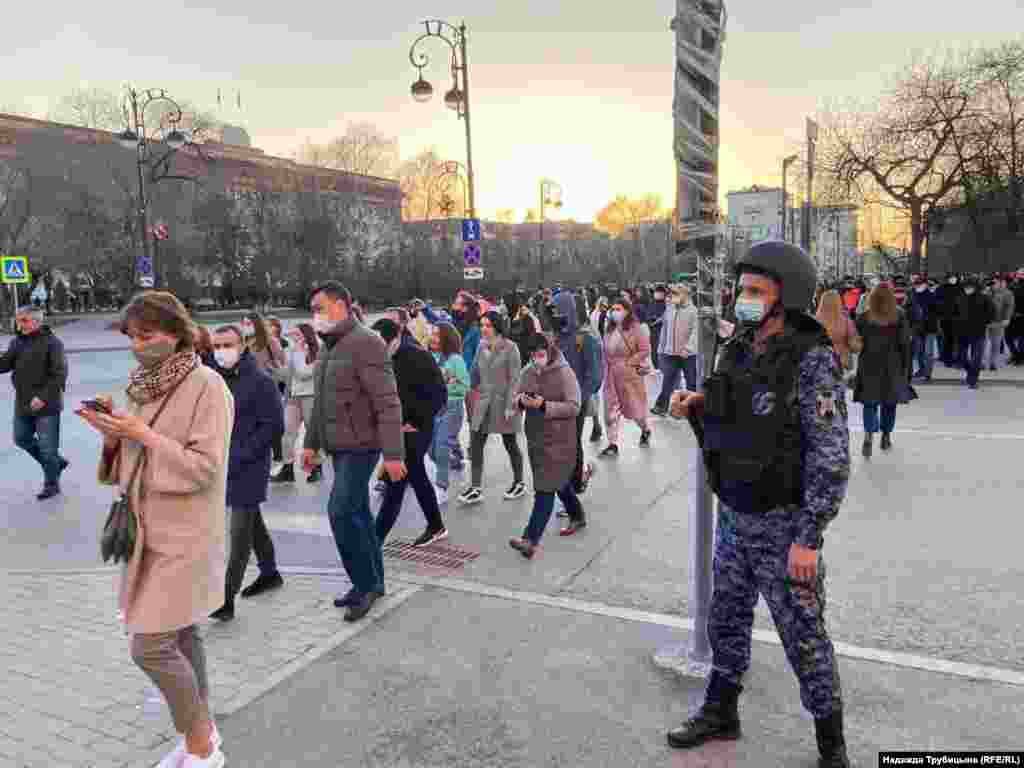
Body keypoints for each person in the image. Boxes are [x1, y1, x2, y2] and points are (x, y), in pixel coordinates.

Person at [667, 241, 851, 768]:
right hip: (735, 514)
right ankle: (721, 711)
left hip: (784, 525)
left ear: (785, 299)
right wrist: (698, 405)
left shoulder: (812, 359)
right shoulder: (740, 346)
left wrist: (808, 539)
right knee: (725, 619)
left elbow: (831, 456)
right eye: (741, 289)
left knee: (804, 639)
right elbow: (740, 411)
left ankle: (831, 746)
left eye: (755, 291)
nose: (742, 298)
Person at [78, 291, 232, 768]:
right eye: (132, 337)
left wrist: (140, 434)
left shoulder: (208, 386)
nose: (138, 346)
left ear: (176, 332)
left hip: (185, 534)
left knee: (149, 645)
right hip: (146, 532)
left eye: (147, 336)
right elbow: (134, 461)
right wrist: (113, 437)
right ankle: (202, 735)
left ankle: (202, 743)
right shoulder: (143, 385)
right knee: (181, 634)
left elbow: (204, 468)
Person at [304, 282, 406, 623]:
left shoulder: (367, 342)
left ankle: (364, 585)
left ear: (341, 305)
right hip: (338, 445)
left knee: (340, 512)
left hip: (363, 445)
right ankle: (372, 582)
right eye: (313, 309)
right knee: (358, 513)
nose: (315, 315)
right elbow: (320, 403)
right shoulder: (329, 345)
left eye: (319, 308)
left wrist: (394, 454)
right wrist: (310, 444)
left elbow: (388, 402)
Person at [208, 326, 285, 621]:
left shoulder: (260, 381)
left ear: (242, 345)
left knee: (239, 533)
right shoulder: (212, 379)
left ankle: (225, 599)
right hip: (222, 464)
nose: (221, 351)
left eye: (227, 344)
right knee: (254, 524)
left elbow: (274, 426)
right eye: (216, 346)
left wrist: (242, 455)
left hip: (249, 465)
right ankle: (270, 573)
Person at [370, 319, 449, 546]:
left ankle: (375, 540)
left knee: (398, 481)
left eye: (383, 344)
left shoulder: (416, 356)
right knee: (413, 475)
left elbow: (439, 394)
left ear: (396, 338)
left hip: (417, 428)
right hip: (396, 426)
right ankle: (436, 526)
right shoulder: (381, 357)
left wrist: (415, 421)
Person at [508, 333, 584, 558]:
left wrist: (544, 405)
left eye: (540, 354)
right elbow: (515, 396)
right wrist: (521, 401)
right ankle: (577, 515)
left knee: (545, 489)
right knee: (557, 483)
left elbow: (574, 406)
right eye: (532, 355)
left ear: (549, 351)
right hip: (536, 439)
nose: (536, 359)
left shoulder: (564, 372)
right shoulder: (528, 371)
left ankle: (530, 540)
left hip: (560, 441)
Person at [1, 305, 69, 500]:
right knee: (21, 438)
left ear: (37, 322)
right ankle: (56, 463)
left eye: (24, 320)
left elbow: (59, 374)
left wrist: (43, 397)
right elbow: (5, 364)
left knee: (48, 449)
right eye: (18, 320)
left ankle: (51, 484)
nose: (19, 324)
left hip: (47, 404)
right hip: (23, 402)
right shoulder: (17, 342)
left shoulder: (53, 343)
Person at [458, 311, 525, 506]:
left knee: (510, 443)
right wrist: (461, 385)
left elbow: (515, 379)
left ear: (496, 327)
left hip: (504, 402)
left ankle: (519, 482)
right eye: (482, 325)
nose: (483, 329)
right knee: (476, 443)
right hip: (483, 401)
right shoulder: (481, 346)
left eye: (487, 325)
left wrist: (511, 405)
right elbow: (474, 374)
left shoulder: (511, 348)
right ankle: (475, 488)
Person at [550, 291, 599, 523]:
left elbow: (595, 375)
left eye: (558, 311)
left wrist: (580, 396)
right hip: (554, 403)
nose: (555, 316)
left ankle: (571, 492)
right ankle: (575, 483)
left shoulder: (585, 339)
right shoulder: (554, 339)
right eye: (552, 311)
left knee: (570, 444)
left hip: (575, 403)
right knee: (563, 445)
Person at [853, 283, 912, 456]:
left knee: (869, 403)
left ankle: (868, 435)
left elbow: (857, 341)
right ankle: (886, 436)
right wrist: (906, 368)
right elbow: (905, 343)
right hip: (892, 364)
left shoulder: (864, 317)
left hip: (869, 364)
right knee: (889, 403)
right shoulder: (899, 315)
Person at [599, 297, 652, 457]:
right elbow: (605, 351)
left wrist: (630, 362)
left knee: (635, 410)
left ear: (627, 311)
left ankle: (645, 429)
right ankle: (612, 443)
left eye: (618, 309)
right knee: (610, 411)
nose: (615, 312)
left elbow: (645, 349)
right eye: (613, 309)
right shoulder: (609, 329)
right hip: (611, 375)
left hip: (629, 376)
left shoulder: (636, 328)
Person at [271, 323, 323, 483]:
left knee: (311, 433)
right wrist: (274, 368)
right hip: (293, 396)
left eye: (297, 334)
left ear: (307, 335)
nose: (294, 337)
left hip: (310, 396)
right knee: (287, 432)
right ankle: (288, 468)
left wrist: (298, 353)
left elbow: (303, 373)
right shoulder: (292, 351)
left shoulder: (318, 351)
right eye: (292, 335)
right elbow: (287, 374)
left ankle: (316, 467)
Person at [429, 322, 471, 496]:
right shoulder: (431, 357)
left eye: (437, 335)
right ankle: (455, 461)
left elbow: (465, 385)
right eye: (432, 334)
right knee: (431, 451)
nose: (433, 338)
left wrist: (446, 386)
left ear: (446, 338)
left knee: (441, 446)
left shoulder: (455, 360)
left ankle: (441, 487)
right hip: (433, 408)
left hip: (452, 407)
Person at [241, 312, 286, 464]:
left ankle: (278, 455)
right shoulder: (243, 342)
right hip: (248, 387)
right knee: (252, 422)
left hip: (268, 386)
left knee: (272, 422)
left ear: (257, 325)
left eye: (248, 324)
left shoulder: (270, 341)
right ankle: (256, 454)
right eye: (244, 324)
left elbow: (282, 361)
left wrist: (270, 368)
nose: (245, 327)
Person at [652, 284, 698, 416]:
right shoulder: (670, 309)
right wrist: (662, 347)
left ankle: (690, 410)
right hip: (671, 353)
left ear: (685, 295)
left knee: (691, 383)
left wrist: (688, 348)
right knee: (667, 381)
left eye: (676, 293)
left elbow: (695, 332)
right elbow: (665, 329)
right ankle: (661, 407)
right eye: (672, 293)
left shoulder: (693, 311)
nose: (673, 296)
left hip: (688, 355)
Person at [958, 277, 996, 390]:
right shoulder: (960, 298)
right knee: (962, 357)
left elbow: (992, 312)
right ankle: (970, 372)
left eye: (970, 287)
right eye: (966, 287)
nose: (967, 289)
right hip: (962, 332)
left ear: (975, 287)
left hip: (978, 332)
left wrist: (983, 321)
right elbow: (955, 312)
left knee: (976, 357)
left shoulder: (984, 298)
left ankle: (973, 380)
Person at [815, 290, 859, 378]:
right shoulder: (845, 320)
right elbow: (854, 344)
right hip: (842, 362)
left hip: (821, 362)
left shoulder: (816, 321)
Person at [907, 275, 939, 382]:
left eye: (920, 284)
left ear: (925, 285)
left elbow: (937, 311)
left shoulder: (932, 295)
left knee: (928, 352)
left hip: (929, 328)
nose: (918, 286)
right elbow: (907, 310)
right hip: (917, 327)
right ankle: (922, 369)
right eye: (916, 284)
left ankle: (927, 373)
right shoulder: (911, 295)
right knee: (919, 351)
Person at [986, 275, 1015, 371]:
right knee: (982, 343)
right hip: (985, 322)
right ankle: (980, 362)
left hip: (998, 322)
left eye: (997, 282)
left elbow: (1009, 306)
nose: (994, 284)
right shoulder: (986, 292)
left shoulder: (1007, 293)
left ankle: (993, 362)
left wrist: (1007, 318)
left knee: (996, 343)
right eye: (993, 282)